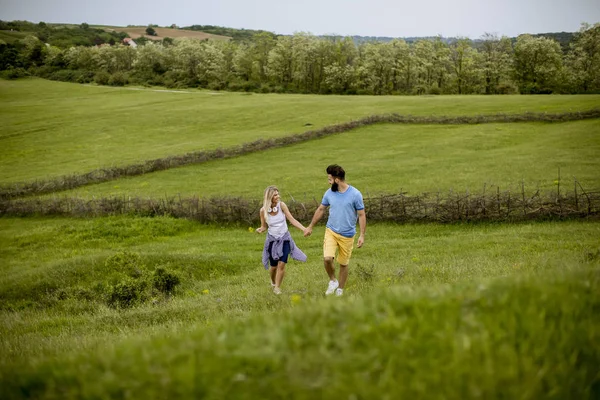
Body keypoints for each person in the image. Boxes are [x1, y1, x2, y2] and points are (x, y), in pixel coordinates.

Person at [304, 165, 366, 296]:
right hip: (331, 231)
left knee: (343, 264)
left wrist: (362, 235)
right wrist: (310, 226)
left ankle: (340, 290)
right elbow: (321, 209)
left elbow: (361, 215)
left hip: (348, 235)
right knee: (327, 259)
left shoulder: (355, 194)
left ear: (337, 180)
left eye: (330, 179)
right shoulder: (329, 193)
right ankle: (333, 281)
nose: (328, 182)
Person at [256, 186, 308, 294]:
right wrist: (261, 229)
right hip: (272, 241)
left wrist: (304, 229)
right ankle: (273, 282)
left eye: (278, 194)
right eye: (275, 195)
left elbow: (292, 220)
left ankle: (277, 288)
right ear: (269, 197)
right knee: (273, 266)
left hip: (285, 239)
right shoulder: (263, 211)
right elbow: (264, 226)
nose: (278, 196)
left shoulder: (282, 205)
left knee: (282, 264)